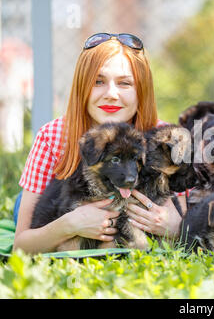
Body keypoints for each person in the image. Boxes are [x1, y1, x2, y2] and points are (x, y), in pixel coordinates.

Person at [14, 33, 184, 254]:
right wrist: (69, 224)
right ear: (82, 87)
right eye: (98, 81)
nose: (111, 94)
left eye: (125, 83)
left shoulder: (165, 140)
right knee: (23, 205)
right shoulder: (53, 135)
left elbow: (192, 215)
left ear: (141, 90)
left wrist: (176, 227)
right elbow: (22, 245)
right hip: (54, 206)